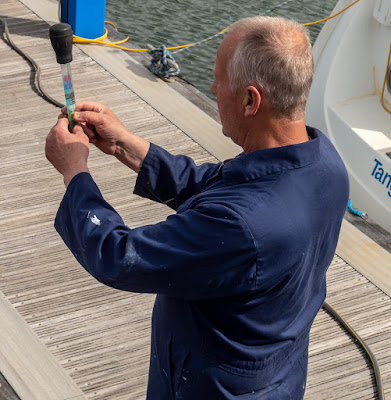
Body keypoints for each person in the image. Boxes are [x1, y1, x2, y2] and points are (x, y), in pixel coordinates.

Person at [45, 16, 349, 400]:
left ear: (250, 100)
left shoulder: (242, 225)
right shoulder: (324, 162)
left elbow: (119, 255)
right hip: (278, 375)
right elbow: (218, 186)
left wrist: (75, 172)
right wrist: (126, 144)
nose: (211, 87)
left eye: (218, 80)